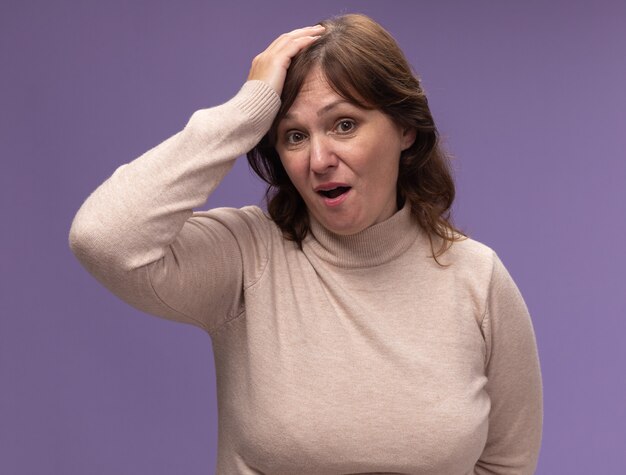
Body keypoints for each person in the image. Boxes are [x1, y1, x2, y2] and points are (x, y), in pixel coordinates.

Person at [69, 13, 543, 475]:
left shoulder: (477, 279)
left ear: (405, 129)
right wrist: (246, 109)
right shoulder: (247, 258)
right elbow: (105, 237)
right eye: (294, 136)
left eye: (344, 125)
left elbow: (506, 464)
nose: (319, 160)